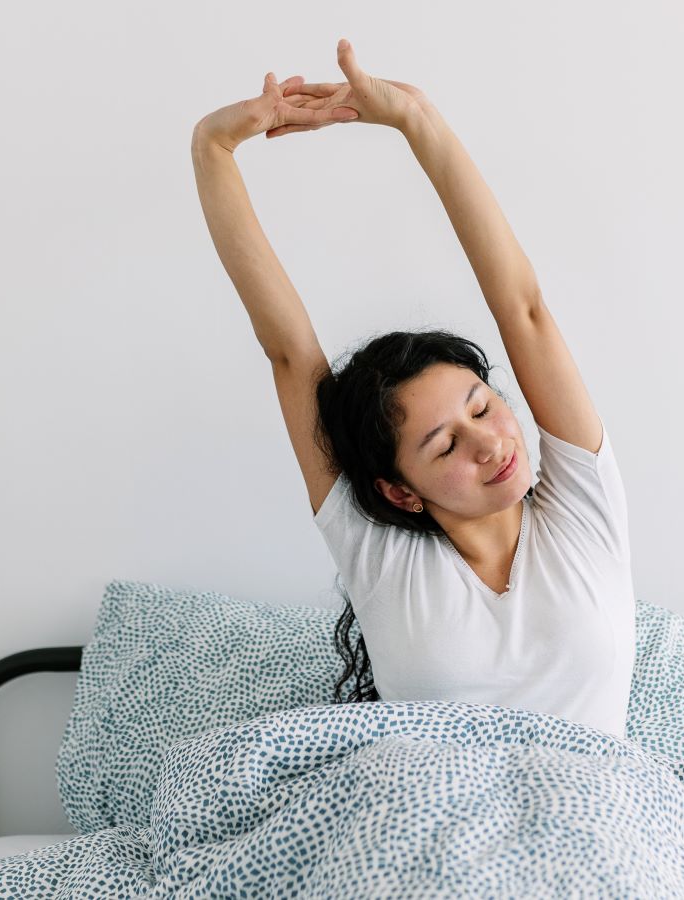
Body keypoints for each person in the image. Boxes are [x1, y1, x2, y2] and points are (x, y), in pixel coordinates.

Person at [191, 39, 634, 739]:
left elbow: (524, 311)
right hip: (429, 833)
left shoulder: (583, 508)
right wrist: (212, 147)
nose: (490, 443)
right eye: (445, 443)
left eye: (483, 406)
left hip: (599, 827)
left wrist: (417, 119)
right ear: (400, 490)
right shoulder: (379, 550)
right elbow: (289, 353)